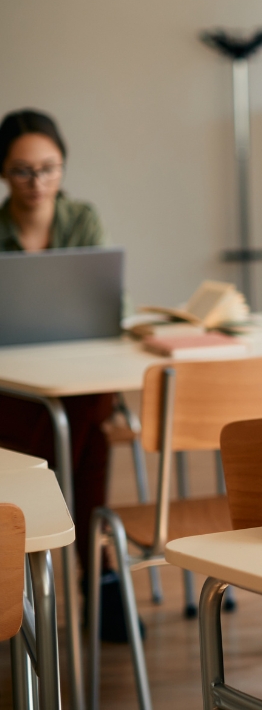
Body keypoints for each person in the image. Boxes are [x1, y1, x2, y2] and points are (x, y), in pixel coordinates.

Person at [0, 109, 114, 571]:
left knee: (83, 411)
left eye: (48, 168)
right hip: (13, 379)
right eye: (23, 170)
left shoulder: (82, 219)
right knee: (91, 434)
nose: (37, 181)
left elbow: (108, 301)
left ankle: (27, 556)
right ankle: (98, 571)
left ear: (62, 165)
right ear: (4, 172)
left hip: (78, 372)